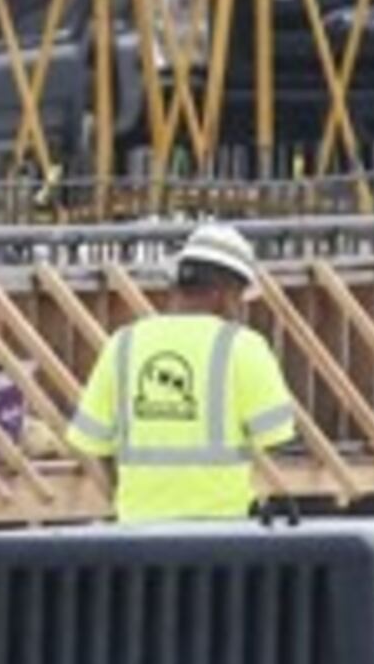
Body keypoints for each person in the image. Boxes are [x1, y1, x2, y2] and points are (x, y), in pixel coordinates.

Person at [66, 221, 301, 523]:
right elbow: (276, 438)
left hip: (138, 529)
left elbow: (93, 441)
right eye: (240, 296)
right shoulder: (244, 347)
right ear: (225, 293)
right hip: (222, 530)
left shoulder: (123, 344)